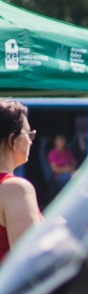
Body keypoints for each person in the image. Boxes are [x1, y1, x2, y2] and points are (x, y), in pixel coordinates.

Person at [0, 100, 43, 262]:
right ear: (13, 140)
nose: (31, 141)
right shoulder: (15, 188)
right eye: (28, 134)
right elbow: (32, 261)